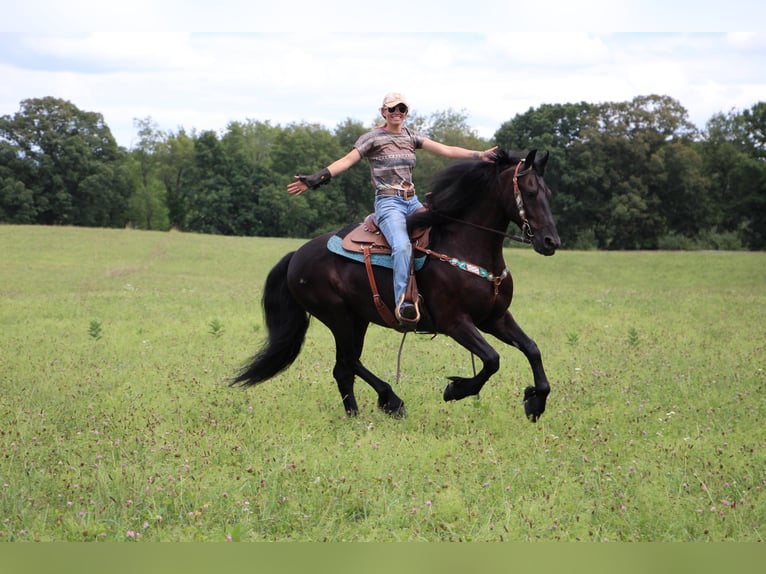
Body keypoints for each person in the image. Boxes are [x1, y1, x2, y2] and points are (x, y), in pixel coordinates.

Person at [287, 92, 497, 325]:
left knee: (443, 234)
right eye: (392, 109)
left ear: (406, 113)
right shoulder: (372, 139)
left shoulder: (411, 136)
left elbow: (446, 150)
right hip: (389, 203)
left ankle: (444, 295)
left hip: (412, 201)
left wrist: (480, 155)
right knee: (402, 245)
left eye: (402, 109)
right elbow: (346, 161)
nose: (397, 113)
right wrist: (317, 178)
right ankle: (404, 303)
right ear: (383, 112)